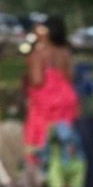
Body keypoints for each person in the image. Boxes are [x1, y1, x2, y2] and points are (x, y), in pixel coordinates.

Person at [23, 15, 81, 159]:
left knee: (41, 138)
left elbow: (37, 80)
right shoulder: (66, 53)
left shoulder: (39, 54)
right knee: (65, 136)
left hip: (46, 101)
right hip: (67, 99)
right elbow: (71, 77)